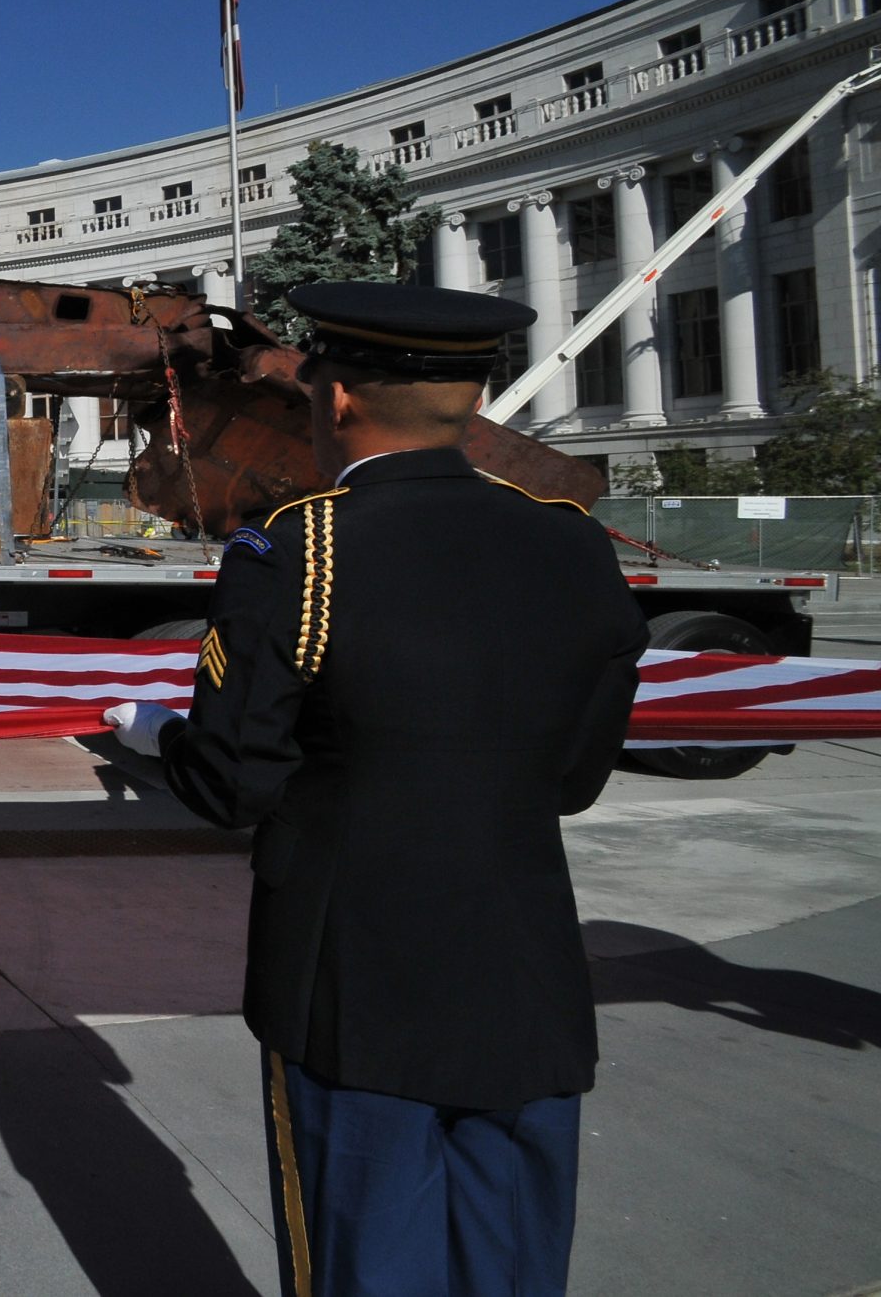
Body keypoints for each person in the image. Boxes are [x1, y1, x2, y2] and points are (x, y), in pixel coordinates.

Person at [103, 281, 647, 1297]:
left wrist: (156, 733)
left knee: (368, 1265)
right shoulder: (570, 540)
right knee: (515, 1266)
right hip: (526, 983)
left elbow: (233, 781)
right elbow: (573, 778)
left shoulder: (298, 549)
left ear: (337, 397)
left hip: (355, 986)